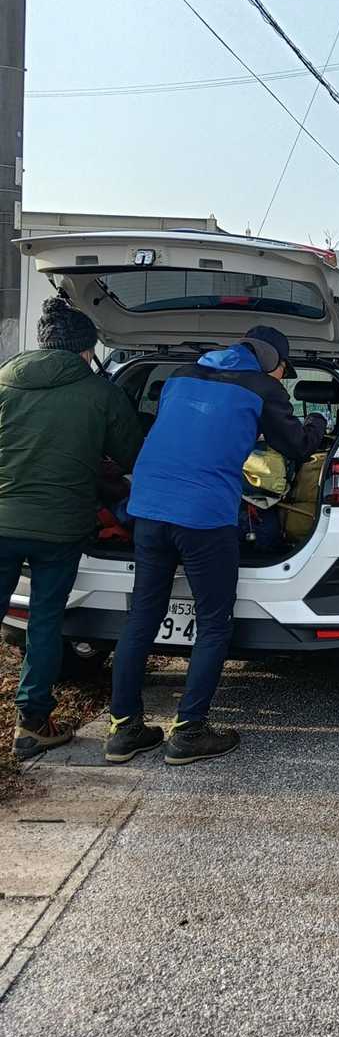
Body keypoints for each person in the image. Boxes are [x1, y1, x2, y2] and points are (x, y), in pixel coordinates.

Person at [106, 326, 326, 767]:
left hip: (148, 507)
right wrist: (317, 422)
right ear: (271, 361)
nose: (281, 378)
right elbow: (298, 446)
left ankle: (123, 730)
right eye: (283, 370)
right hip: (204, 517)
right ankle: (189, 732)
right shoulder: (263, 389)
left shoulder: (181, 376)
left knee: (142, 616)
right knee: (213, 622)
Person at [0, 299, 143, 760]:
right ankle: (32, 724)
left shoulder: (4, 380)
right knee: (45, 622)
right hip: (59, 531)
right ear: (86, 351)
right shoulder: (100, 393)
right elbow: (132, 456)